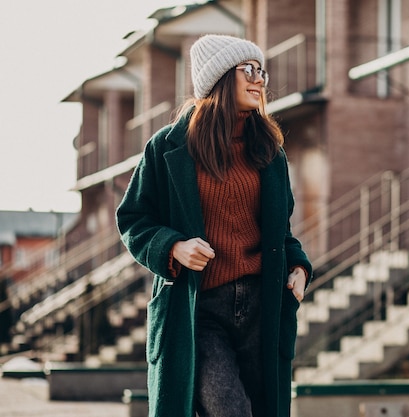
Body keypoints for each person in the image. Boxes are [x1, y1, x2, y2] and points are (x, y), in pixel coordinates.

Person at [116, 34, 312, 417]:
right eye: (249, 70)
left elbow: (282, 233)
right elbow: (133, 219)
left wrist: (300, 268)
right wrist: (173, 247)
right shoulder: (168, 147)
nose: (259, 80)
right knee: (229, 409)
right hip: (198, 309)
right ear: (219, 77)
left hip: (262, 307)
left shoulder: (270, 153)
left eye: (262, 71)